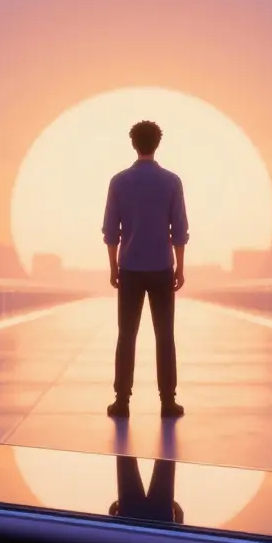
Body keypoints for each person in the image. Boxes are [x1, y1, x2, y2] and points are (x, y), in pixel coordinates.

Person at [101, 120, 188, 419]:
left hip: (130, 267)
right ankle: (168, 402)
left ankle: (122, 401)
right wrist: (180, 267)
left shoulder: (119, 182)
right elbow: (179, 230)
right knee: (165, 335)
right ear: (157, 143)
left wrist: (113, 267)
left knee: (127, 334)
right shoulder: (172, 182)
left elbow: (111, 231)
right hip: (162, 266)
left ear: (133, 143)